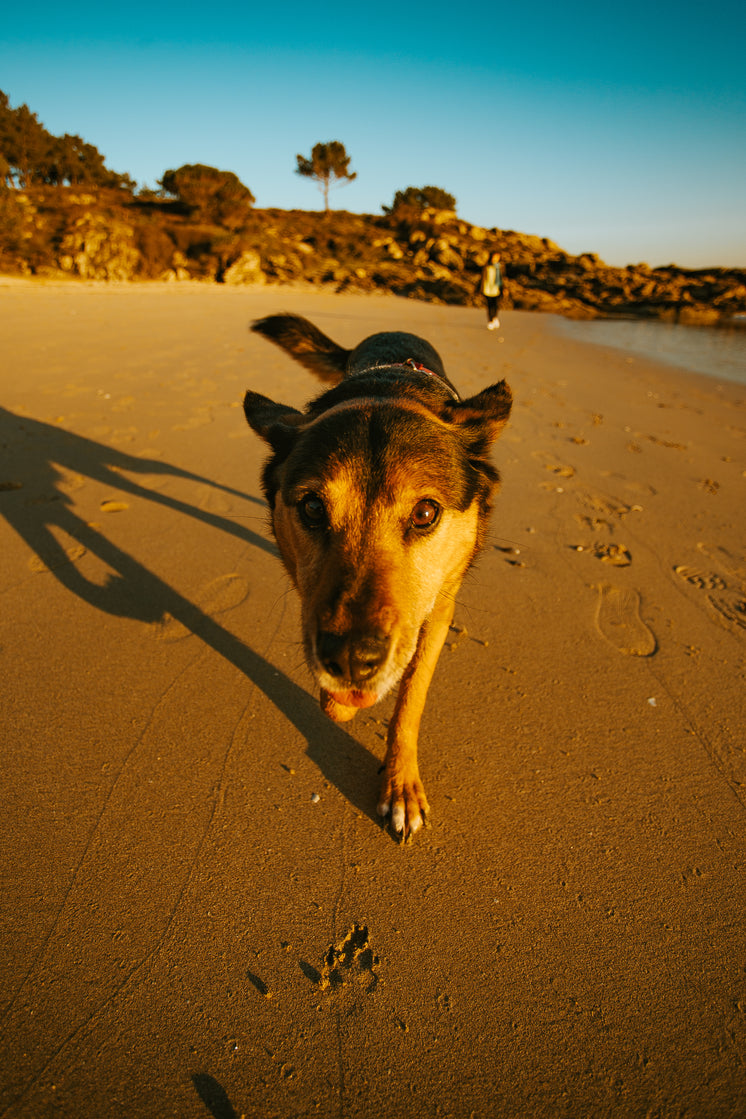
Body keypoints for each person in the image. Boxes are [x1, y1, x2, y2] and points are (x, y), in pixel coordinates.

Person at [481, 251, 504, 330]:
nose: (495, 259)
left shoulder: (500, 267)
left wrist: (504, 288)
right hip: (487, 289)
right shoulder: (486, 266)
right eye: (494, 257)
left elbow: (502, 279)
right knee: (489, 305)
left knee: (496, 305)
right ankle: (490, 321)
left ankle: (494, 317)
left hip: (497, 289)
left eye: (497, 257)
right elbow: (482, 278)